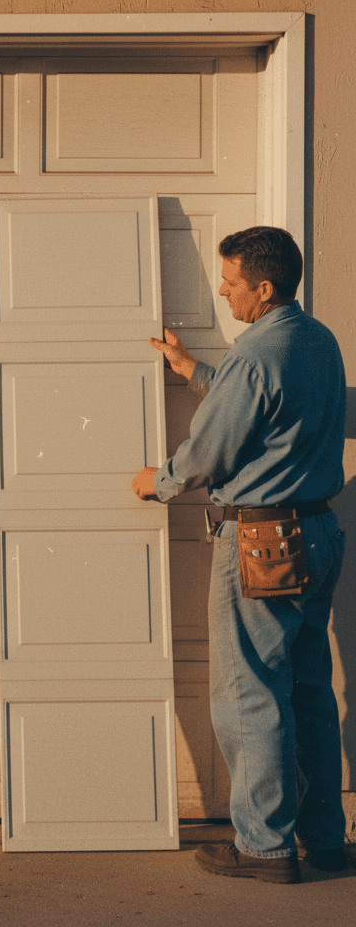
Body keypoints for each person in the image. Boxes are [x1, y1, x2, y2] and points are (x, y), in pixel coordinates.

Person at [131, 226, 348, 884]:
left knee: (250, 692)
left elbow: (212, 453)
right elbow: (265, 408)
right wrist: (194, 370)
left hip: (259, 541)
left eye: (228, 284)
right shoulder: (316, 340)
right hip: (316, 534)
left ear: (263, 286)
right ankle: (324, 841)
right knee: (308, 690)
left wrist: (158, 480)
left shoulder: (257, 355)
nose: (223, 294)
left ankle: (264, 848)